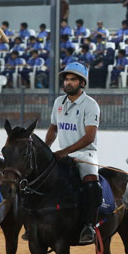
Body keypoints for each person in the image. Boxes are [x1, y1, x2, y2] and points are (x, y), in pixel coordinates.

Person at [45, 62, 102, 244]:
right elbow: (53, 129)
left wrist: (65, 151)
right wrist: (47, 149)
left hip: (86, 154)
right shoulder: (58, 103)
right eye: (66, 79)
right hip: (63, 155)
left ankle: (89, 225)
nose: (68, 83)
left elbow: (90, 137)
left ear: (82, 83)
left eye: (73, 80)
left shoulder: (90, 105)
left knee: (91, 183)